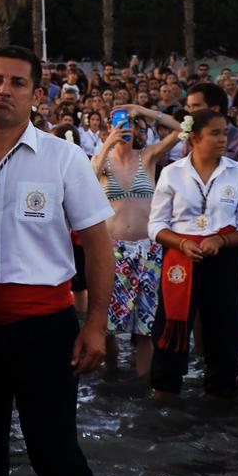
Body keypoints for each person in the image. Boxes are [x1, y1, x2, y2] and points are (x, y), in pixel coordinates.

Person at [0, 46, 112, 476]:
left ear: (36, 94)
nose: (3, 90)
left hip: (45, 327)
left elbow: (98, 245)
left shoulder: (64, 158)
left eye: (17, 82)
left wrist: (95, 325)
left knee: (54, 451)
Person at [147, 109, 238, 400]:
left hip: (225, 258)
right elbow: (156, 225)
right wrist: (181, 243)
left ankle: (220, 395)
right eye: (216, 133)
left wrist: (221, 240)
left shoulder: (237, 172)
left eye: (225, 133)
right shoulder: (172, 173)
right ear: (194, 137)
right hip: (181, 260)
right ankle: (165, 392)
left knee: (224, 326)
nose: (224, 139)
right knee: (171, 325)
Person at [90, 112, 178, 379]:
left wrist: (142, 110)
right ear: (109, 127)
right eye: (118, 124)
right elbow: (89, 176)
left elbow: (179, 130)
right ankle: (111, 372)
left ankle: (142, 383)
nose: (124, 129)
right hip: (113, 250)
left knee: (145, 325)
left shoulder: (148, 156)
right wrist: (109, 142)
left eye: (128, 124)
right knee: (107, 324)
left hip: (148, 250)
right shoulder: (103, 161)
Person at [167, 82, 238, 162]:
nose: (190, 112)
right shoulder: (192, 139)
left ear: (215, 109)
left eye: (195, 106)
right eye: (189, 107)